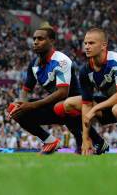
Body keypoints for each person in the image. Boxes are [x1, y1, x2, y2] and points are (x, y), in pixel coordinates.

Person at [61, 28, 117, 155]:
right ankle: (98, 142)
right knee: (69, 103)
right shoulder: (85, 70)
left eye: (91, 43)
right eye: (85, 43)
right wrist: (85, 138)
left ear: (103, 45)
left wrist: (94, 110)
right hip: (110, 105)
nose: (87, 47)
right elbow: (86, 104)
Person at [8, 26, 82, 154]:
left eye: (40, 39)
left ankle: (83, 142)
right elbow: (26, 90)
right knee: (14, 107)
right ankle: (49, 141)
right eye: (34, 38)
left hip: (75, 106)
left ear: (52, 41)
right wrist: (21, 106)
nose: (35, 41)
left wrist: (32, 105)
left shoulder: (61, 61)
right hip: (55, 107)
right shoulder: (34, 64)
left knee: (63, 106)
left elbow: (62, 93)